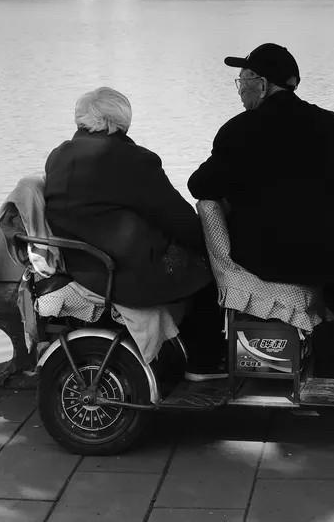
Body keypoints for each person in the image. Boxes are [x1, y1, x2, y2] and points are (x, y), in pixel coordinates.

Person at [188, 44, 334, 376]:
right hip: (330, 256)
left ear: (261, 82)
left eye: (242, 79)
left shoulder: (239, 130)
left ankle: (209, 355)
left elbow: (200, 186)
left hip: (270, 259)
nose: (240, 88)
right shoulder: (332, 125)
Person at [44, 87, 225, 380]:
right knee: (205, 273)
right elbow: (177, 217)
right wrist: (206, 245)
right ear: (119, 121)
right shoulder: (133, 159)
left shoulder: (59, 155)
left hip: (80, 263)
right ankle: (203, 363)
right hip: (122, 271)